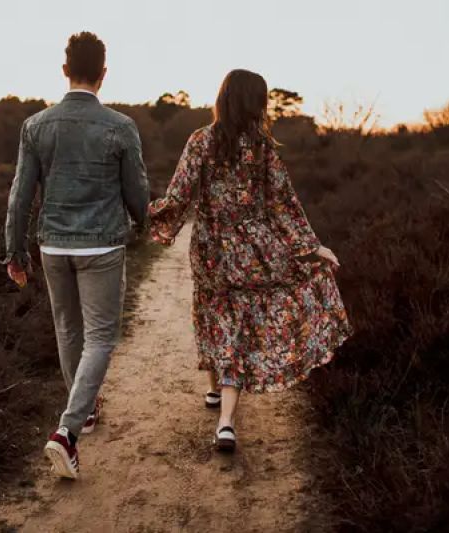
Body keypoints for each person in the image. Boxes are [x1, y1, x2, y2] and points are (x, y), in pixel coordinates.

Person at [148, 69, 351, 451]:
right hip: (254, 250)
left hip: (210, 251)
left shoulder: (200, 141)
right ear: (256, 103)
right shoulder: (262, 148)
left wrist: (148, 212)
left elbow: (178, 197)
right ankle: (218, 403)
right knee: (234, 321)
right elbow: (284, 205)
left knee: (213, 311)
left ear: (223, 98)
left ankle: (226, 419)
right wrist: (311, 248)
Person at [2, 31, 149, 478]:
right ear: (104, 73)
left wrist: (14, 250)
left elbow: (20, 195)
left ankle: (83, 411)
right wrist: (148, 223)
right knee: (101, 337)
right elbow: (137, 192)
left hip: (52, 245)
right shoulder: (121, 127)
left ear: (65, 70)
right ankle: (67, 431)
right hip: (101, 244)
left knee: (68, 329)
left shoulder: (36, 126)